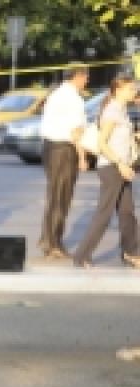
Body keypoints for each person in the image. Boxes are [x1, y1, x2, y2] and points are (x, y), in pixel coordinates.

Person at [73, 76, 140, 269]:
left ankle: (131, 252)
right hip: (112, 168)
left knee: (127, 213)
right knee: (104, 213)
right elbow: (102, 143)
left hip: (122, 167)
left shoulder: (121, 110)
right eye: (130, 89)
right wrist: (120, 164)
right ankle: (82, 256)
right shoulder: (112, 111)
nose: (134, 92)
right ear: (118, 89)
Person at [38, 64, 90, 259]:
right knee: (61, 197)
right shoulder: (73, 99)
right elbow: (76, 131)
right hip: (63, 150)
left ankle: (50, 239)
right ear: (76, 76)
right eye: (85, 76)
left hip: (51, 147)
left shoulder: (57, 94)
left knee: (55, 195)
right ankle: (53, 243)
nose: (87, 80)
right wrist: (83, 157)